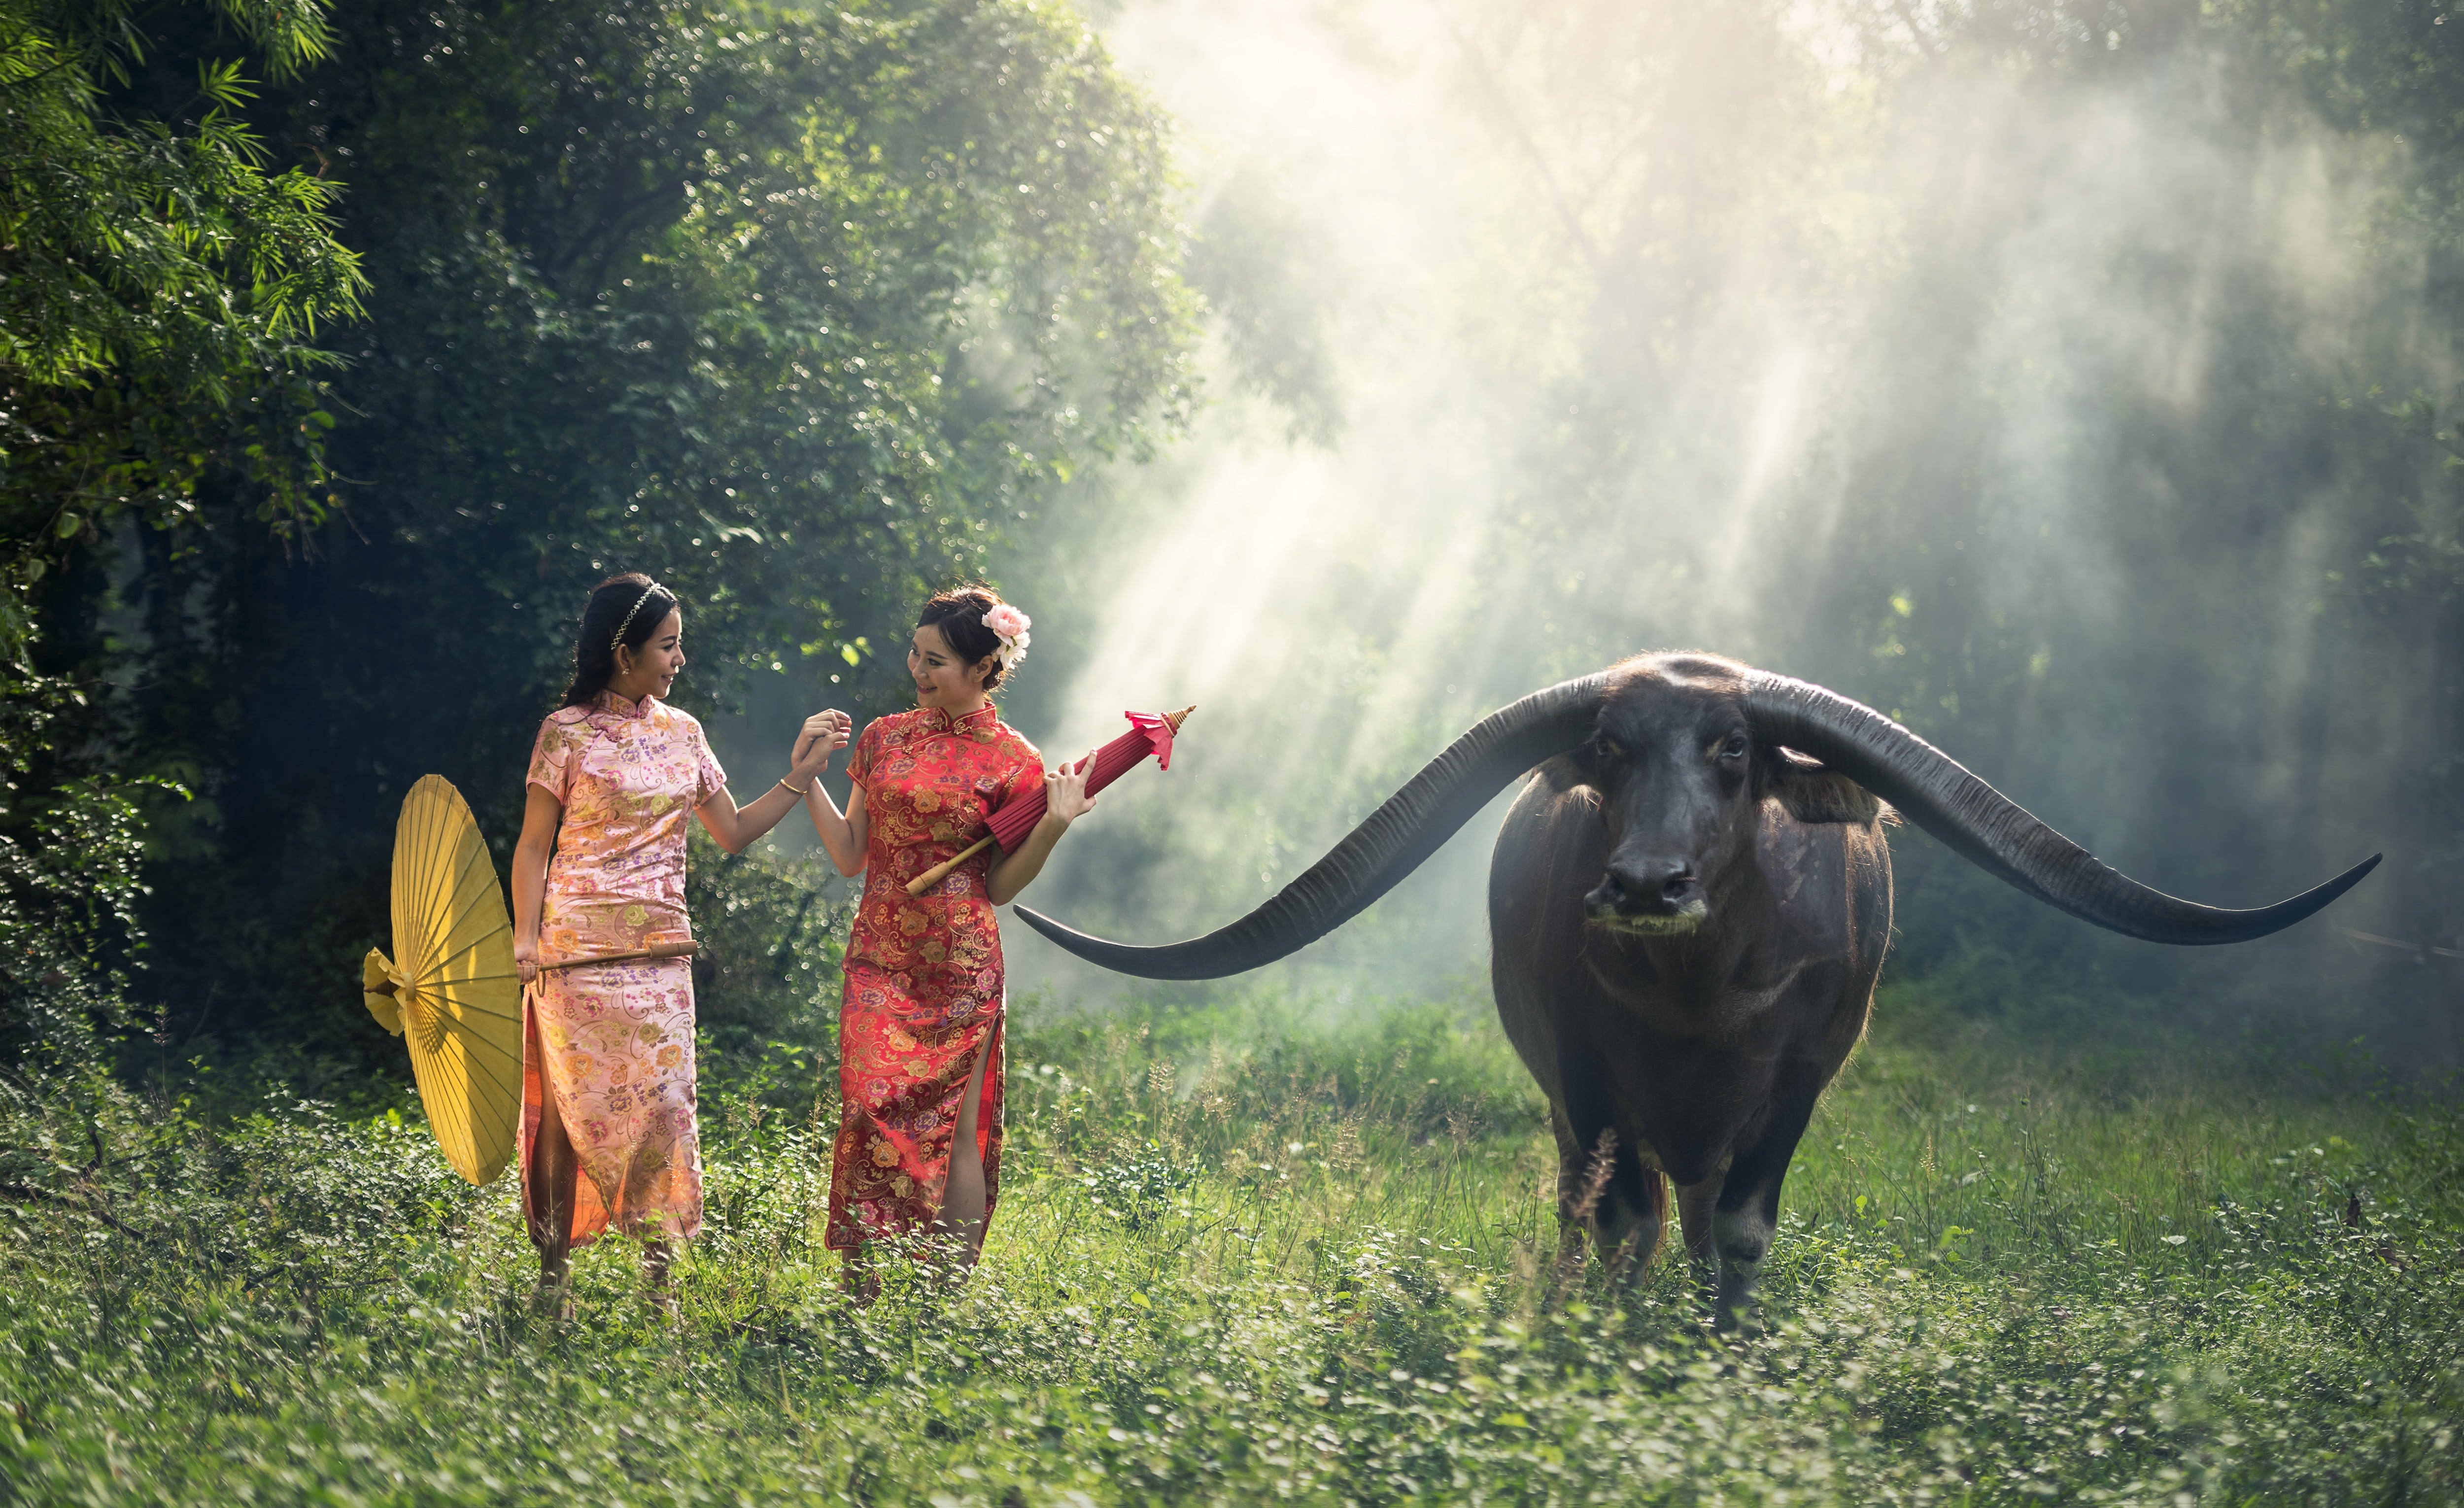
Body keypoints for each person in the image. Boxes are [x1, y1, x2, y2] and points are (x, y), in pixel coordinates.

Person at [510, 573, 833, 1307]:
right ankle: (552, 1278)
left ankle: (660, 1286)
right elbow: (534, 847)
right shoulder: (565, 733)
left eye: (679, 643)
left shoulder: (683, 732)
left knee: (662, 1113)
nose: (680, 658)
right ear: (624, 653)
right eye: (668, 644)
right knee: (567, 1111)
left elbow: (733, 832)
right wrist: (526, 938)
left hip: (661, 954)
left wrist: (799, 776)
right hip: (575, 954)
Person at [797, 586, 1095, 1282]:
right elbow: (849, 855)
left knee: (959, 1127)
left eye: (936, 661)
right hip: (880, 956)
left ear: (986, 666)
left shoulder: (1014, 761)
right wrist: (806, 779)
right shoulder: (883, 738)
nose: (918, 671)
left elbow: (998, 886)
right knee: (868, 1111)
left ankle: (945, 1299)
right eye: (916, 654)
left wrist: (1053, 822)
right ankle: (859, 1292)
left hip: (961, 966)